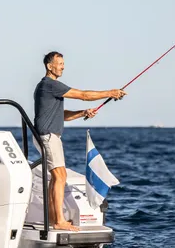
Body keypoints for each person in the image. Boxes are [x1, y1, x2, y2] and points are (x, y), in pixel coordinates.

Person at [33, 51, 126, 231]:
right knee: (61, 176)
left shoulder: (48, 87)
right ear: (49, 66)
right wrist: (111, 93)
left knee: (56, 177)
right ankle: (59, 221)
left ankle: (55, 219)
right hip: (48, 136)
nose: (63, 67)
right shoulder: (50, 85)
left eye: (63, 63)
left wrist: (83, 113)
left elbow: (63, 116)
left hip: (47, 135)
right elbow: (83, 95)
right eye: (59, 63)